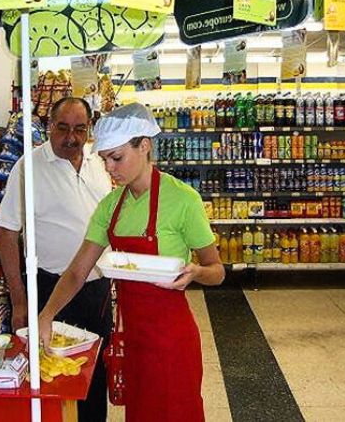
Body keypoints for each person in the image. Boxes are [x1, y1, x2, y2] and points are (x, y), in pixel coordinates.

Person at [38, 103, 225, 422]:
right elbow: (77, 272)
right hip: (129, 336)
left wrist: (195, 272)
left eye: (117, 158)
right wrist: (46, 315)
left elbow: (217, 271)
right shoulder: (110, 206)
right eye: (104, 159)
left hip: (171, 338)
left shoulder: (182, 200)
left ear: (145, 146)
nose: (110, 168)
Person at [0, 97, 113, 421]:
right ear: (49, 126)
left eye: (80, 129)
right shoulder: (28, 167)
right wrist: (19, 301)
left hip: (98, 290)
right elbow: (6, 234)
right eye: (63, 128)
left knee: (96, 374)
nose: (71, 137)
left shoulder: (99, 162)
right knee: (52, 377)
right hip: (52, 289)